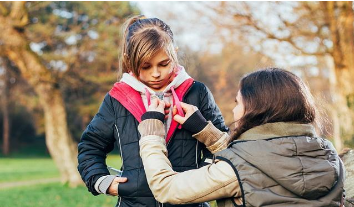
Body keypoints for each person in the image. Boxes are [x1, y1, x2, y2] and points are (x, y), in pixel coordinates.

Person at [77, 15, 228, 207]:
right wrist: (102, 181)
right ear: (129, 61)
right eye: (145, 66)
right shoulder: (117, 99)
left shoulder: (197, 92)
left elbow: (224, 146)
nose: (155, 73)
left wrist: (204, 173)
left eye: (163, 64)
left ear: (175, 53)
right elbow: (90, 147)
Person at [138, 68, 345, 207]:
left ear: (254, 109)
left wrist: (152, 132)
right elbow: (259, 160)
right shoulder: (330, 157)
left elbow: (167, 188)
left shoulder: (234, 172)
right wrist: (205, 131)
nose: (234, 111)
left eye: (238, 103)